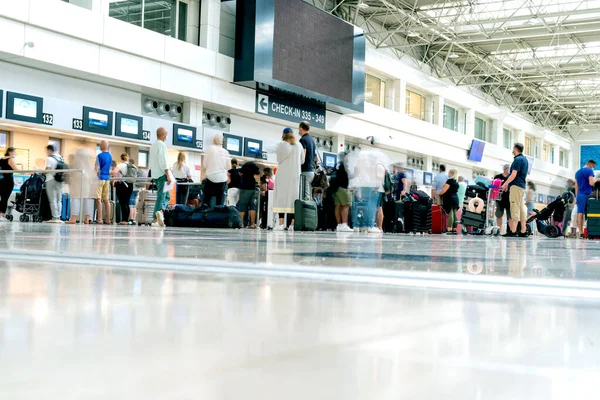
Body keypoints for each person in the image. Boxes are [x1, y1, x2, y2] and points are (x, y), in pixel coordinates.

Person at [273, 128, 304, 231]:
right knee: (293, 199)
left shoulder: (281, 145)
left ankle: (281, 224)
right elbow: (302, 160)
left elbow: (279, 159)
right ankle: (292, 224)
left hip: (283, 174)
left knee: (281, 198)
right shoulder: (299, 145)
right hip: (295, 175)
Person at [501, 143, 529, 237]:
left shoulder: (517, 160)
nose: (512, 150)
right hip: (521, 186)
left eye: (513, 148)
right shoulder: (525, 159)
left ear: (515, 149)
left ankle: (513, 231)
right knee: (521, 208)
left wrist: (505, 184)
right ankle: (523, 230)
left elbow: (513, 175)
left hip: (516, 186)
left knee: (514, 207)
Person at [149, 127, 172, 227]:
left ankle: (160, 213)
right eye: (166, 135)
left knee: (167, 196)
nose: (166, 137)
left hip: (155, 174)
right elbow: (163, 161)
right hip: (162, 174)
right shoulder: (162, 145)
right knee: (161, 197)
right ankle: (155, 219)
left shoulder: (153, 145)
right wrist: (168, 174)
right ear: (163, 135)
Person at [66, 148, 96, 225]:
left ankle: (74, 218)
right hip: (87, 182)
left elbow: (72, 171)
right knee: (87, 199)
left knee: (76, 198)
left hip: (78, 181)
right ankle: (87, 218)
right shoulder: (89, 163)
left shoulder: (77, 161)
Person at [203, 133, 230, 209]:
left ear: (214, 140)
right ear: (222, 141)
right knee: (220, 203)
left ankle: (206, 214)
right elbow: (228, 166)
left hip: (210, 178)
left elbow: (205, 165)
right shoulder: (225, 152)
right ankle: (218, 214)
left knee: (206, 202)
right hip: (222, 179)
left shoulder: (209, 150)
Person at [575, 159, 598, 238]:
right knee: (590, 213)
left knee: (580, 212)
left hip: (580, 195)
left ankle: (581, 232)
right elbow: (591, 183)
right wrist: (597, 180)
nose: (593, 168)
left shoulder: (577, 172)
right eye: (593, 166)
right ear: (590, 165)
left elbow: (576, 186)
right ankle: (589, 230)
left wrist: (576, 197)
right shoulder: (589, 171)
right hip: (588, 195)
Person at [331, 154, 353, 232]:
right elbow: (350, 176)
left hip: (335, 188)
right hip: (343, 187)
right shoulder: (346, 165)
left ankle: (339, 225)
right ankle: (344, 224)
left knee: (338, 206)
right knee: (345, 206)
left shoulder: (338, 164)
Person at [113, 153, 136, 225]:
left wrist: (116, 178)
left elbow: (114, 172)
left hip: (123, 184)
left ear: (121, 158)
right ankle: (126, 220)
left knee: (122, 203)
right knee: (127, 202)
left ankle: (124, 220)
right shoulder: (133, 166)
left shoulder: (121, 165)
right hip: (130, 185)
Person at [45, 144, 65, 224]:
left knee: (52, 200)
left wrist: (40, 171)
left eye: (47, 151)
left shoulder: (49, 158)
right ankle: (59, 217)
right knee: (59, 200)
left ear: (49, 150)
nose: (46, 152)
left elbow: (48, 170)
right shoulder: (61, 158)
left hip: (50, 179)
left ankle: (54, 217)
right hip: (60, 180)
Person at [94, 140, 112, 224]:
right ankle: (108, 219)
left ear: (102, 146)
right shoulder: (110, 156)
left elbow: (96, 169)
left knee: (98, 199)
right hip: (107, 179)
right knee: (106, 200)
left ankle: (99, 219)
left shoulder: (99, 156)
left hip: (100, 178)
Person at [237, 161, 260, 229]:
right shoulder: (253, 169)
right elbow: (258, 173)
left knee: (242, 205)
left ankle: (241, 223)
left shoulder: (244, 168)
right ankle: (252, 223)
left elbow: (240, 173)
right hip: (253, 187)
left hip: (245, 188)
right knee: (253, 206)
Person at [438, 168, 460, 234]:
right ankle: (454, 229)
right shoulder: (456, 182)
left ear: (451, 173)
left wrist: (439, 194)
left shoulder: (449, 181)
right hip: (455, 198)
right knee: (454, 213)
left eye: (449, 172)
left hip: (449, 198)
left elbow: (444, 190)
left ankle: (449, 229)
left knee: (450, 213)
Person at [299, 121, 316, 200]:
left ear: (301, 129)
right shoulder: (312, 140)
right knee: (308, 193)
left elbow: (303, 155)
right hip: (311, 171)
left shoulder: (303, 140)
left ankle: (306, 211)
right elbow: (316, 158)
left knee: (305, 195)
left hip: (305, 170)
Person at [0, 147, 18, 222]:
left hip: (1, 180)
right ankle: (2, 215)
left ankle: (1, 214)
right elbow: (16, 169)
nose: (15, 154)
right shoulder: (10, 159)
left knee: (2, 197)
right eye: (15, 152)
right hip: (8, 181)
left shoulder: (1, 159)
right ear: (10, 152)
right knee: (5, 198)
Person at [494, 165, 511, 233]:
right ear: (505, 169)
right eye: (509, 169)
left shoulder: (511, 178)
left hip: (509, 199)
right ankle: (499, 231)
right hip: (499, 199)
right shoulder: (498, 177)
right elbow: (494, 187)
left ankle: (509, 231)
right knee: (499, 215)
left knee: (510, 216)